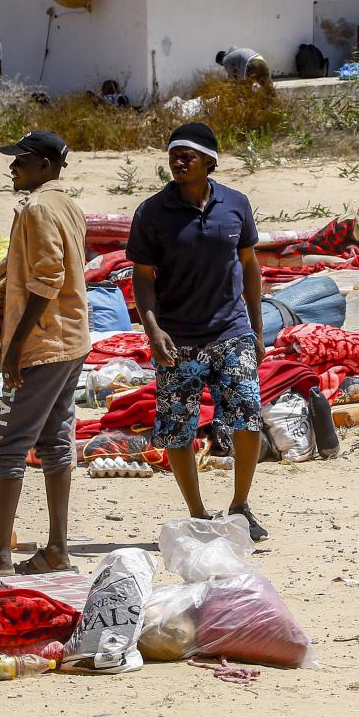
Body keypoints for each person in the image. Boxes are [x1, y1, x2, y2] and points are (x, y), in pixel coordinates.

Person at [127, 122, 269, 542]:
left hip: (231, 330)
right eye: (173, 154)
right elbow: (142, 275)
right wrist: (152, 329)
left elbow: (249, 266)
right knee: (177, 427)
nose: (178, 160)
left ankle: (240, 505)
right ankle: (198, 513)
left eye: (187, 154)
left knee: (248, 416)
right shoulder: (152, 213)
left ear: (209, 160)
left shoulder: (236, 205)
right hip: (177, 337)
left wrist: (257, 329)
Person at [0, 130, 89, 575]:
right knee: (56, 440)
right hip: (73, 336)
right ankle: (57, 548)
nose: (12, 168)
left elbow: (48, 277)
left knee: (8, 445)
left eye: (19, 160)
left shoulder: (39, 207)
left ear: (43, 165)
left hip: (46, 340)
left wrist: (15, 346)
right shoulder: (67, 205)